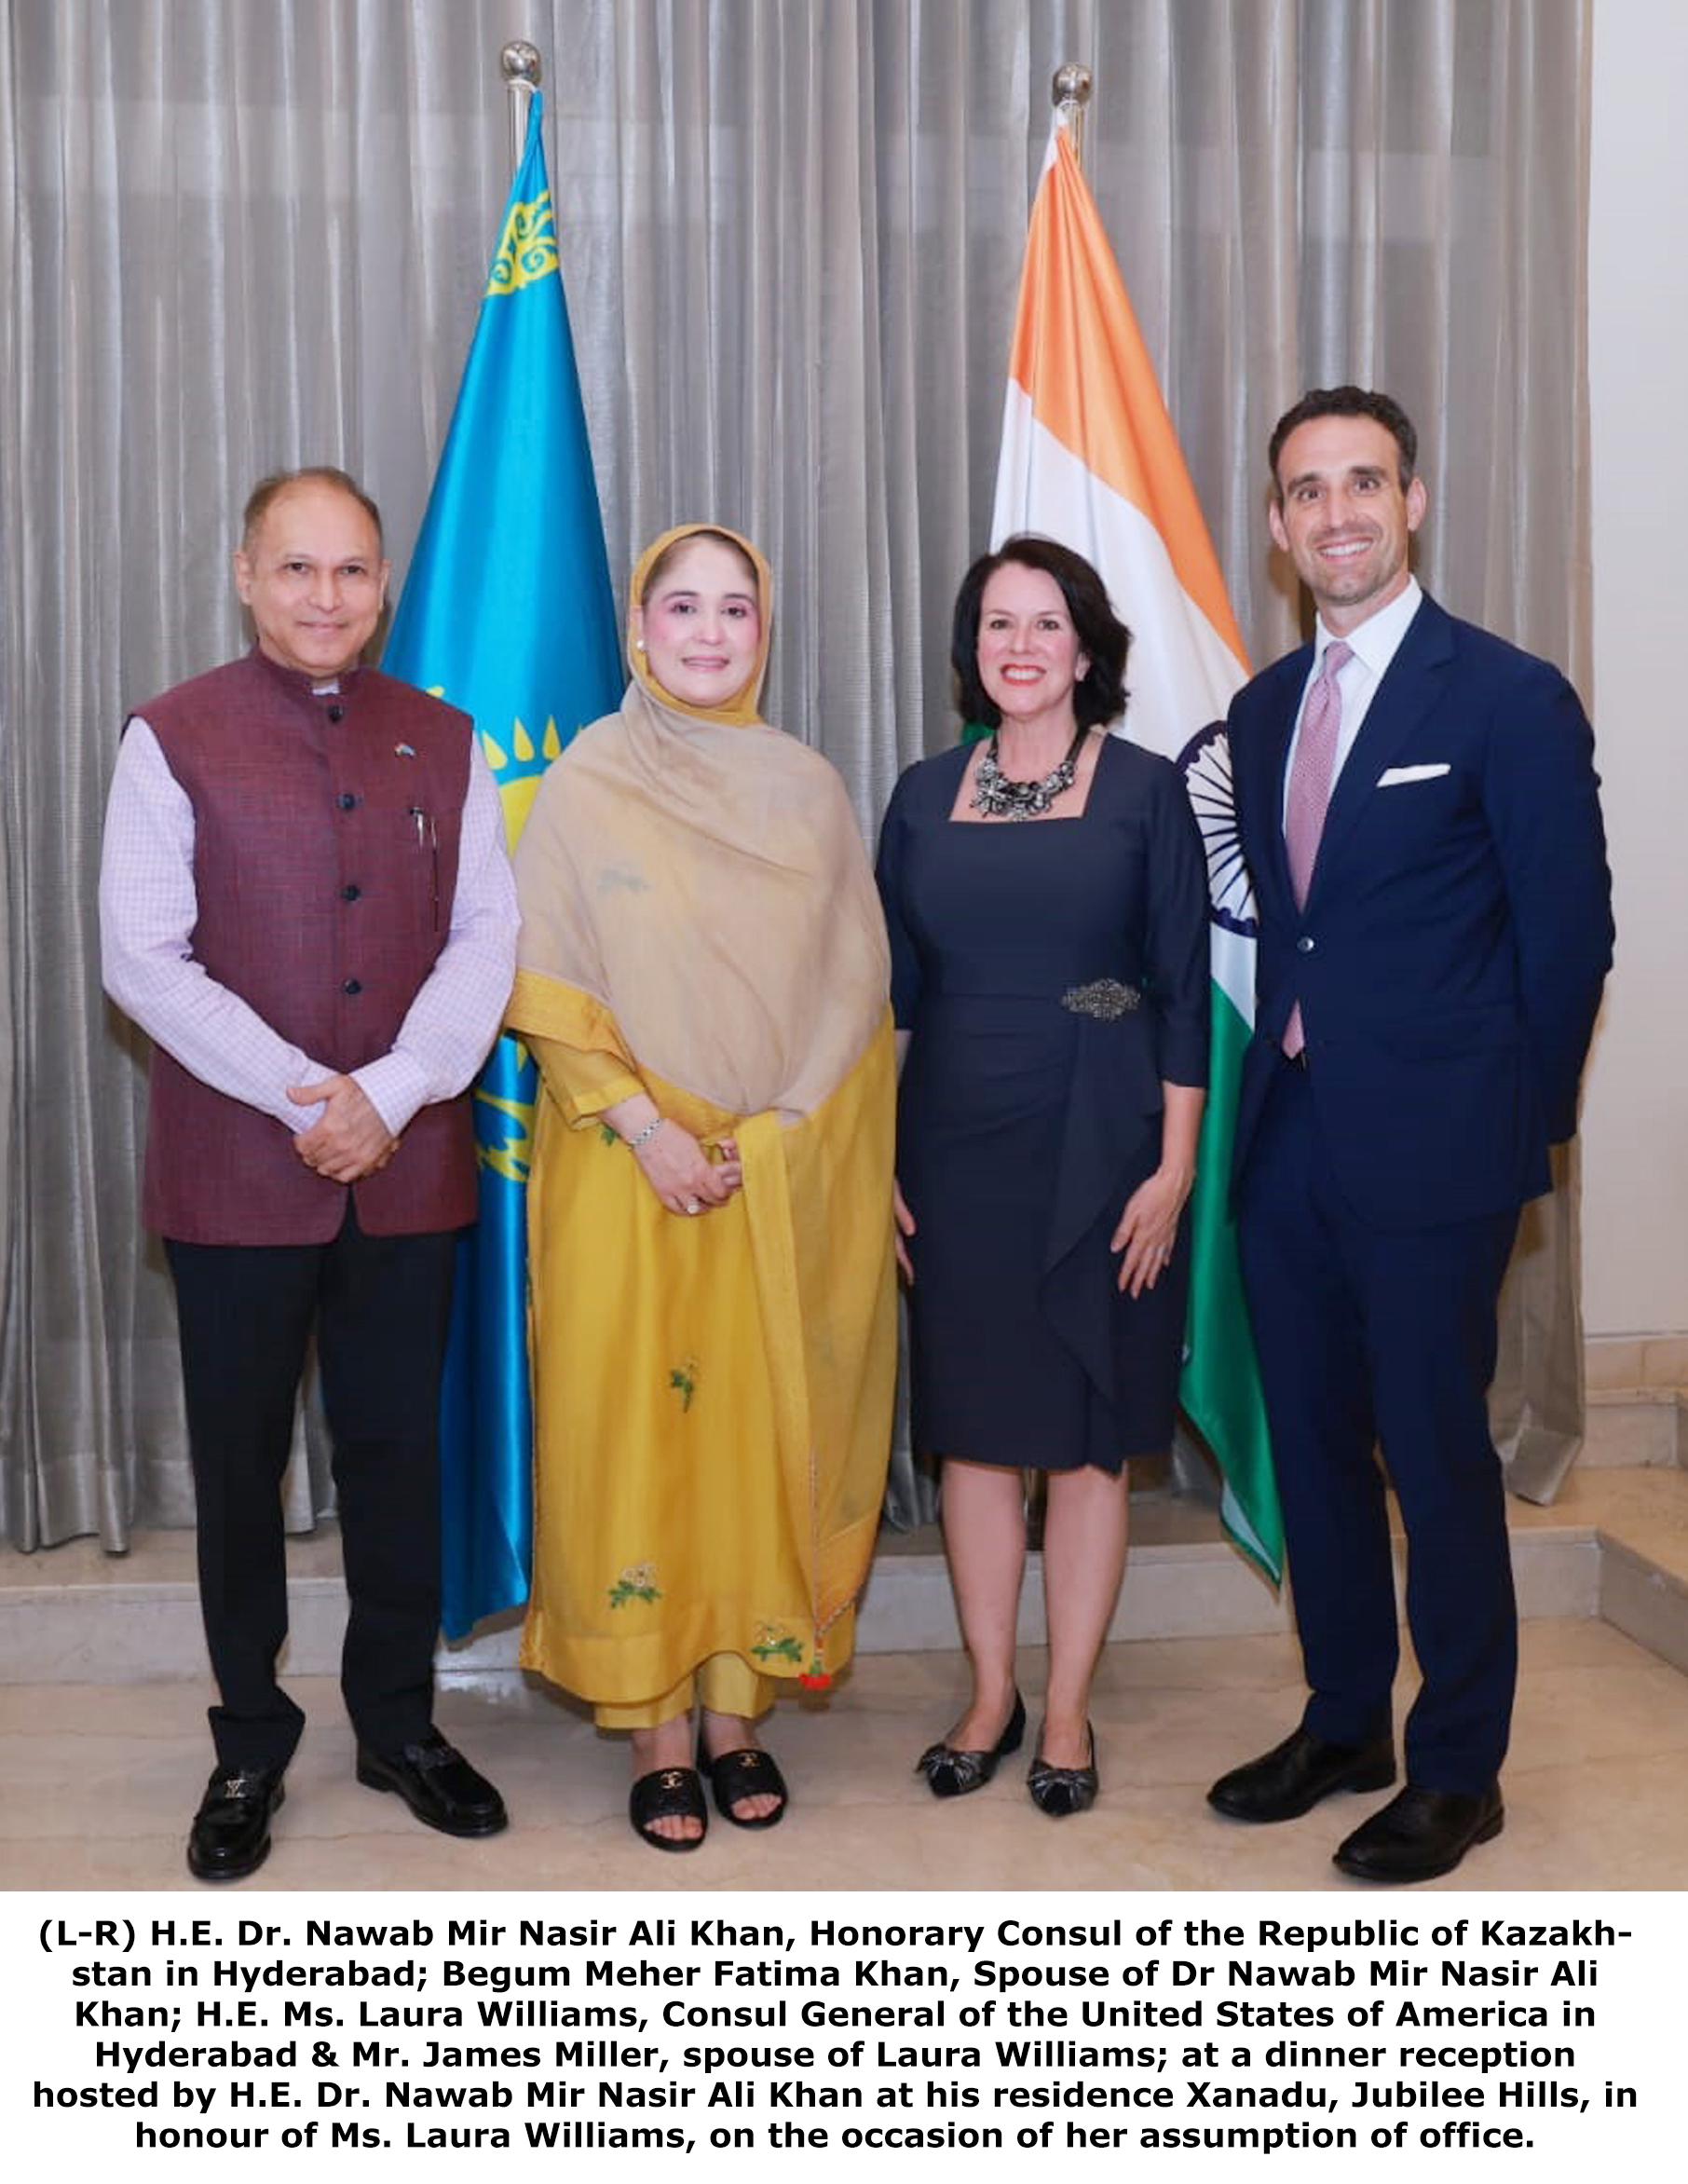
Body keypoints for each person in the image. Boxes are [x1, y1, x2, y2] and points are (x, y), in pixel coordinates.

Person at [1210, 388, 1613, 1882]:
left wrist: (1518, 1141)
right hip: (1292, 1142)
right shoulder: (1260, 713)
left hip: (1440, 1157)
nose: (1337, 515)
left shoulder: (1504, 697)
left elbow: (1569, 943)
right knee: (1312, 1447)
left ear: (1415, 500)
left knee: (1434, 1456)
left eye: (1362, 483)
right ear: (1276, 524)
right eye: (1306, 491)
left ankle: (1458, 1764)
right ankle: (1341, 1720)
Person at [100, 465, 517, 1881]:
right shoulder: (171, 737)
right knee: (238, 1467)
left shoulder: (448, 742)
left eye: (351, 572)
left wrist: (389, 1094)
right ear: (244, 573)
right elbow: (142, 958)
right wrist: (311, 1096)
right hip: (237, 1176)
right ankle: (247, 1742)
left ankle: (398, 1723)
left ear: (383, 586)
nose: (326, 597)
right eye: (297, 569)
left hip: (408, 1169)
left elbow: (483, 947)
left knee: (399, 1456)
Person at [507, 523, 896, 1851]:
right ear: (640, 626)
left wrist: (781, 1131)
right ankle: (658, 1731)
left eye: (738, 608)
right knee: (637, 1437)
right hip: (627, 1174)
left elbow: (855, 986)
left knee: (746, 1437)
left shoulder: (807, 792)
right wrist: (640, 1123)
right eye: (684, 606)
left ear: (764, 630)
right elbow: (543, 979)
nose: (712, 632)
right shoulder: (588, 782)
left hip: (766, 1181)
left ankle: (737, 1717)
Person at [877, 536, 1209, 1818]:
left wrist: (1175, 1164)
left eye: (1046, 624)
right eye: (997, 624)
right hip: (951, 1149)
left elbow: (1180, 991)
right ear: (974, 649)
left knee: (1082, 1445)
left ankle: (1065, 1706)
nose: (1020, 645)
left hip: (1104, 1141)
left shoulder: (1141, 791)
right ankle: (987, 1694)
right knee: (973, 1438)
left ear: (1087, 650)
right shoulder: (918, 793)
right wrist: (875, 1163)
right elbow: (893, 997)